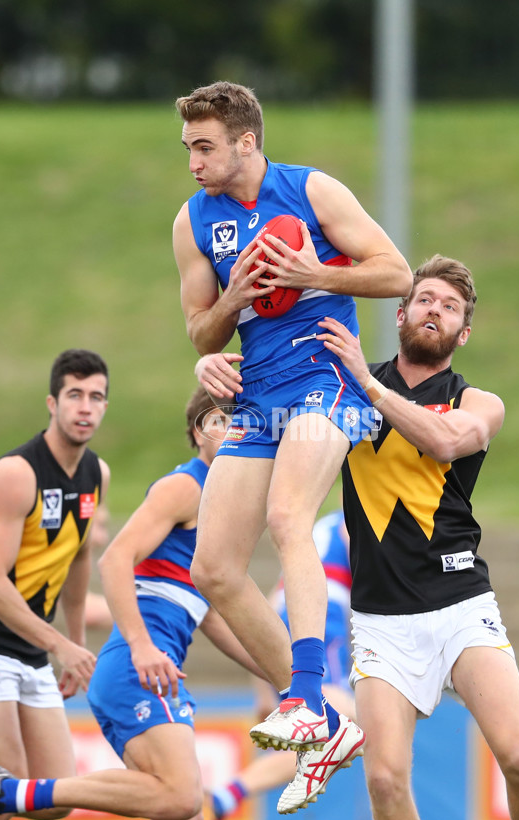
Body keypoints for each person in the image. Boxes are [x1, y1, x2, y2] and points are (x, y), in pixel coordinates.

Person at [173, 80, 412, 765]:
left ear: (246, 142)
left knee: (287, 518)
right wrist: (234, 302)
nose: (192, 161)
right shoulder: (192, 221)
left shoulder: (312, 192)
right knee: (214, 568)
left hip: (327, 380)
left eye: (204, 147)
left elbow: (395, 273)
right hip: (260, 396)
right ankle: (320, 715)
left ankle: (308, 696)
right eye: (188, 147)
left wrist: (317, 274)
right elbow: (199, 333)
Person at [313, 254, 519, 820]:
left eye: (450, 307)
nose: (435, 311)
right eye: (425, 299)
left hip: (460, 603)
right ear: (401, 312)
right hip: (379, 618)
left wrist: (368, 388)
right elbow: (268, 406)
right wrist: (221, 369)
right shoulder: (344, 384)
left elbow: (448, 442)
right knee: (385, 783)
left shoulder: (477, 402)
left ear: (463, 334)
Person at [0, 387, 269, 820]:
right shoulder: (187, 486)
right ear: (200, 432)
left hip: (155, 670)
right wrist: (141, 645)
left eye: (246, 422)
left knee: (180, 816)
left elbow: (213, 616)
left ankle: (14, 792)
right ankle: (13, 791)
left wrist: (291, 678)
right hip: (138, 666)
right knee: (182, 798)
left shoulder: (222, 508)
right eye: (223, 420)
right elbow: (113, 559)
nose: (238, 430)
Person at [0, 349, 110, 820]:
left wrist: (74, 645)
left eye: (96, 397)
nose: (85, 407)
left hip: (32, 651)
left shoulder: (95, 475)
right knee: (7, 779)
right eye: (74, 395)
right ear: (52, 403)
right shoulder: (16, 472)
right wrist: (60, 644)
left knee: (56, 798)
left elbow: (79, 559)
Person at [195, 509, 361, 820]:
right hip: (321, 621)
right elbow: (374, 572)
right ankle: (224, 797)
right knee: (343, 724)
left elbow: (270, 606)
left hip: (288, 620)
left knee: (327, 732)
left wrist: (264, 694)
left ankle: (224, 799)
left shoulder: (319, 532)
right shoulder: (355, 518)